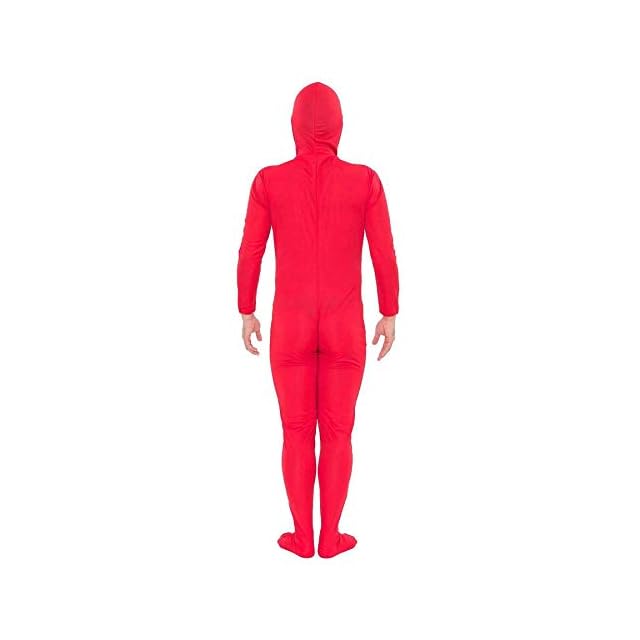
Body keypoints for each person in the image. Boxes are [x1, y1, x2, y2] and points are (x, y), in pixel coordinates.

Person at [237, 81, 399, 558]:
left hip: (290, 325)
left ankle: (302, 536)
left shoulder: (268, 182)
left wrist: (247, 309)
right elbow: (383, 251)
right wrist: (388, 311)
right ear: (339, 126)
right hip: (344, 325)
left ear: (293, 126)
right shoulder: (365, 181)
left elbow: (251, 250)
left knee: (295, 430)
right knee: (338, 431)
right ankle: (331, 536)